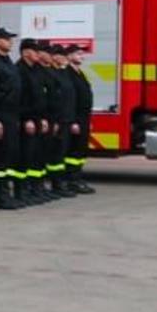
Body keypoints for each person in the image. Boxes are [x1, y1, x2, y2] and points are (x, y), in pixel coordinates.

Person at [0, 28, 25, 210]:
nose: (10, 42)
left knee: (10, 156)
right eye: (7, 39)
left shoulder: (8, 62)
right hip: (1, 115)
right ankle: (0, 197)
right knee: (0, 158)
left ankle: (6, 195)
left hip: (12, 115)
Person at [16, 39, 55, 206]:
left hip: (39, 118)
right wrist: (27, 119)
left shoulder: (36, 70)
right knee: (25, 157)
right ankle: (22, 191)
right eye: (34, 50)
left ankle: (36, 188)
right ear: (25, 52)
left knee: (37, 156)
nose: (38, 54)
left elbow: (42, 96)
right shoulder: (20, 70)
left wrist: (44, 118)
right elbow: (21, 98)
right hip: (28, 119)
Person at [43, 44, 78, 200]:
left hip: (66, 119)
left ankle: (59, 184)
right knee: (54, 155)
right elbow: (53, 100)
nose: (64, 58)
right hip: (57, 119)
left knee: (61, 154)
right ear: (54, 57)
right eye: (61, 55)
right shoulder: (49, 74)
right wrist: (55, 120)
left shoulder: (62, 73)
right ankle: (55, 185)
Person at [64, 45, 97, 195]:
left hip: (84, 118)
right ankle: (71, 180)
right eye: (78, 54)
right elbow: (70, 100)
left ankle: (77, 178)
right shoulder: (67, 74)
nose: (82, 56)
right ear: (69, 56)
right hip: (76, 118)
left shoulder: (80, 73)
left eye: (82, 54)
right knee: (73, 151)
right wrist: (74, 122)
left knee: (81, 151)